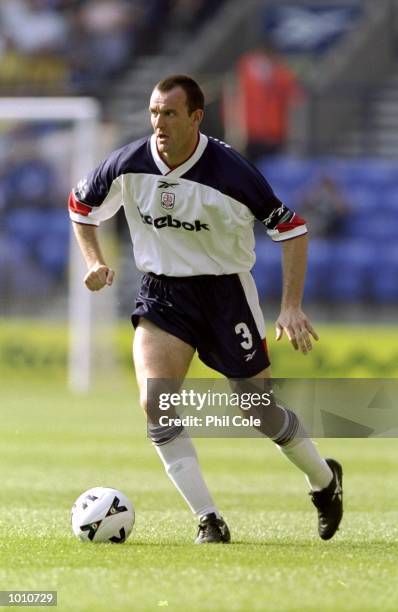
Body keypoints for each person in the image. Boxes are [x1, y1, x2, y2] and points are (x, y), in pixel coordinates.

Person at [68, 74, 343, 544]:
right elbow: (80, 204)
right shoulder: (128, 163)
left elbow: (292, 230)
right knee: (156, 402)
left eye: (170, 113)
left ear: (196, 117)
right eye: (154, 112)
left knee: (259, 410)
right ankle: (208, 519)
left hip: (225, 296)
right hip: (163, 294)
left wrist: (290, 307)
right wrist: (94, 261)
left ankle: (324, 483)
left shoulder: (232, 172)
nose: (159, 122)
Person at [228, 43, 303, 161]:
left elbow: (296, 97)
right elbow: (233, 102)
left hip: (273, 133)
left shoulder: (280, 74)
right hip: (250, 133)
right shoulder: (244, 74)